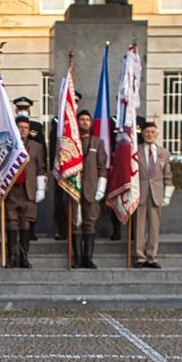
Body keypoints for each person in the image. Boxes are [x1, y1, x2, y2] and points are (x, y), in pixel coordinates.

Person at [3, 114, 47, 269]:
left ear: (29, 130)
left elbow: (41, 167)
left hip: (28, 191)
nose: (22, 130)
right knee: (11, 224)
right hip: (11, 191)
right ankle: (11, 256)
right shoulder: (8, 145)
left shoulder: (36, 147)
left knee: (25, 224)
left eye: (25, 128)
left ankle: (24, 256)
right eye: (20, 127)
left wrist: (41, 188)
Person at [67, 108, 109, 269]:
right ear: (76, 122)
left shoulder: (98, 142)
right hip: (74, 188)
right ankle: (77, 257)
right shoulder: (70, 142)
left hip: (91, 189)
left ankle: (88, 258)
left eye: (87, 119)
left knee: (90, 222)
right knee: (75, 222)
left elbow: (102, 167)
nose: (84, 122)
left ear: (91, 123)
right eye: (81, 119)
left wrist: (101, 186)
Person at [133, 121, 172, 269]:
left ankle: (152, 256)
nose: (150, 134)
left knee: (154, 226)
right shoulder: (136, 151)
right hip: (141, 192)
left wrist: (167, 194)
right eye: (147, 132)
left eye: (152, 132)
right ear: (142, 134)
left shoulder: (164, 152)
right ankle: (140, 256)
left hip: (157, 192)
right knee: (140, 225)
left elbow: (167, 175)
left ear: (157, 134)